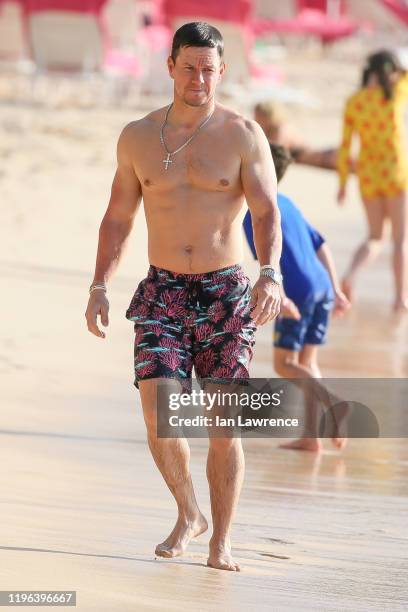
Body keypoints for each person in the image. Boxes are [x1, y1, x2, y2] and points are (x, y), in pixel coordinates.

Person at [85, 22, 282, 572]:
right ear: (170, 66)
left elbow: (266, 211)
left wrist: (271, 273)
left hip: (224, 293)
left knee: (224, 427)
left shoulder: (244, 134)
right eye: (190, 66)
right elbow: (118, 217)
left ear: (223, 71)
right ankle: (188, 511)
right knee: (159, 416)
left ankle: (220, 541)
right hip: (163, 290)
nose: (200, 77)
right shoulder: (137, 137)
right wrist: (100, 284)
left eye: (210, 68)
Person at [244, 144, 350, 452]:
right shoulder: (287, 203)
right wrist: (335, 288)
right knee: (306, 363)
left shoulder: (255, 213)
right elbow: (321, 245)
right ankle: (311, 437)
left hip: (298, 291)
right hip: (321, 287)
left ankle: (335, 402)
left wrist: (284, 297)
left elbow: (269, 263)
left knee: (285, 363)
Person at [337, 50, 408, 311]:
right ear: (389, 71)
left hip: (368, 174)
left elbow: (345, 147)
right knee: (400, 240)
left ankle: (351, 274)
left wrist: (343, 184)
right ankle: (401, 298)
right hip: (395, 173)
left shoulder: (354, 101)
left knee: (375, 237)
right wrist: (396, 69)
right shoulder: (396, 93)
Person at [254, 100, 342, 171]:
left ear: (268, 115)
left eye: (258, 115)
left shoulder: (281, 129)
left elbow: (274, 151)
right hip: (317, 157)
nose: (255, 118)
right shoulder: (272, 128)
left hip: (317, 157)